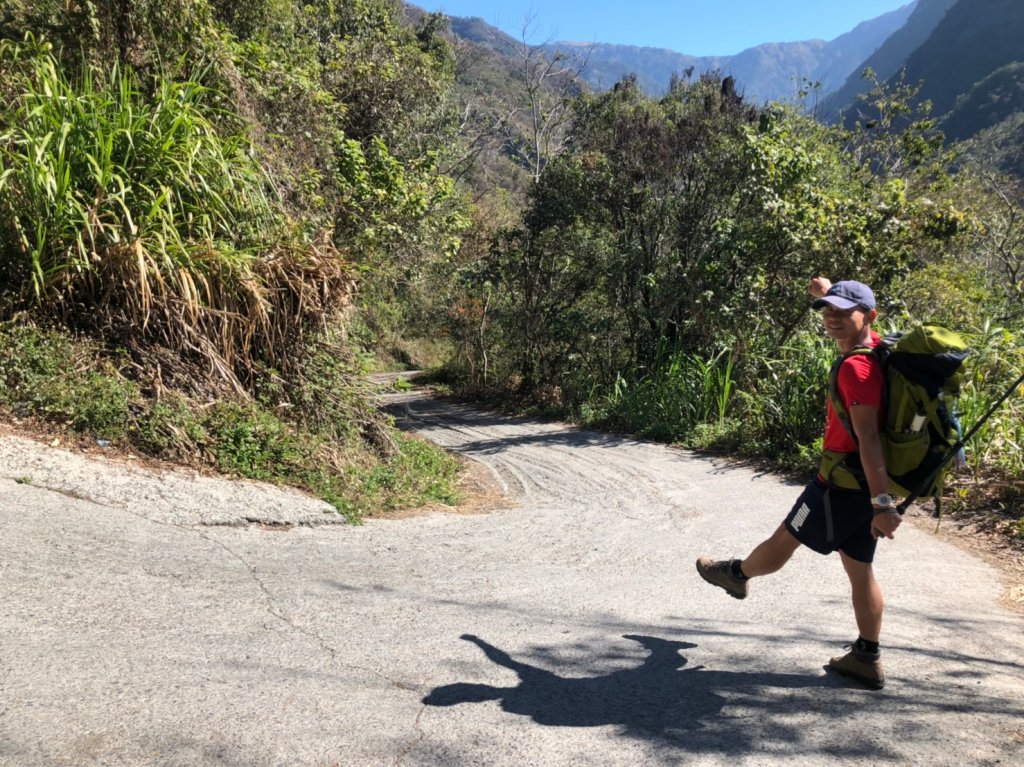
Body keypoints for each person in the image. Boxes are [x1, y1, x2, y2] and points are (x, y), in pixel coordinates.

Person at [696, 277, 901, 690]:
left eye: (843, 312)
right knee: (860, 570)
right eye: (827, 310)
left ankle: (736, 574)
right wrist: (825, 289)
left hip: (841, 484)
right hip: (863, 485)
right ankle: (866, 656)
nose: (832, 318)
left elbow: (869, 438)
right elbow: (846, 304)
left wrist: (883, 505)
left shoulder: (855, 369)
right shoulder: (878, 350)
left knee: (786, 537)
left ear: (870, 316)